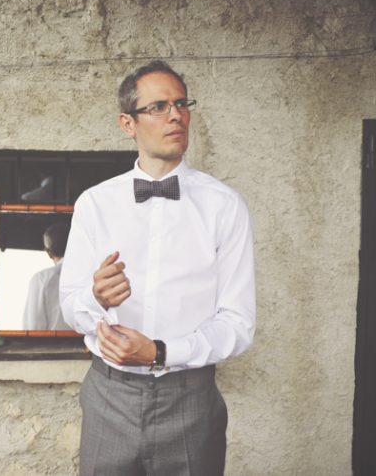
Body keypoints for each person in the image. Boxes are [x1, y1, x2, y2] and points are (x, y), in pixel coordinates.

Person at [59, 60, 256, 475]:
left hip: (191, 401)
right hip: (109, 398)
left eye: (182, 104)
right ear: (127, 123)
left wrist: (161, 352)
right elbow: (72, 308)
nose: (175, 115)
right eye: (158, 107)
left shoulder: (225, 206)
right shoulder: (95, 204)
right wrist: (95, 298)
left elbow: (238, 324)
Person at [22, 222, 70, 330]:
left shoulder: (41, 279)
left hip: (51, 341)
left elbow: (32, 329)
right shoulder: (93, 277)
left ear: (48, 252)